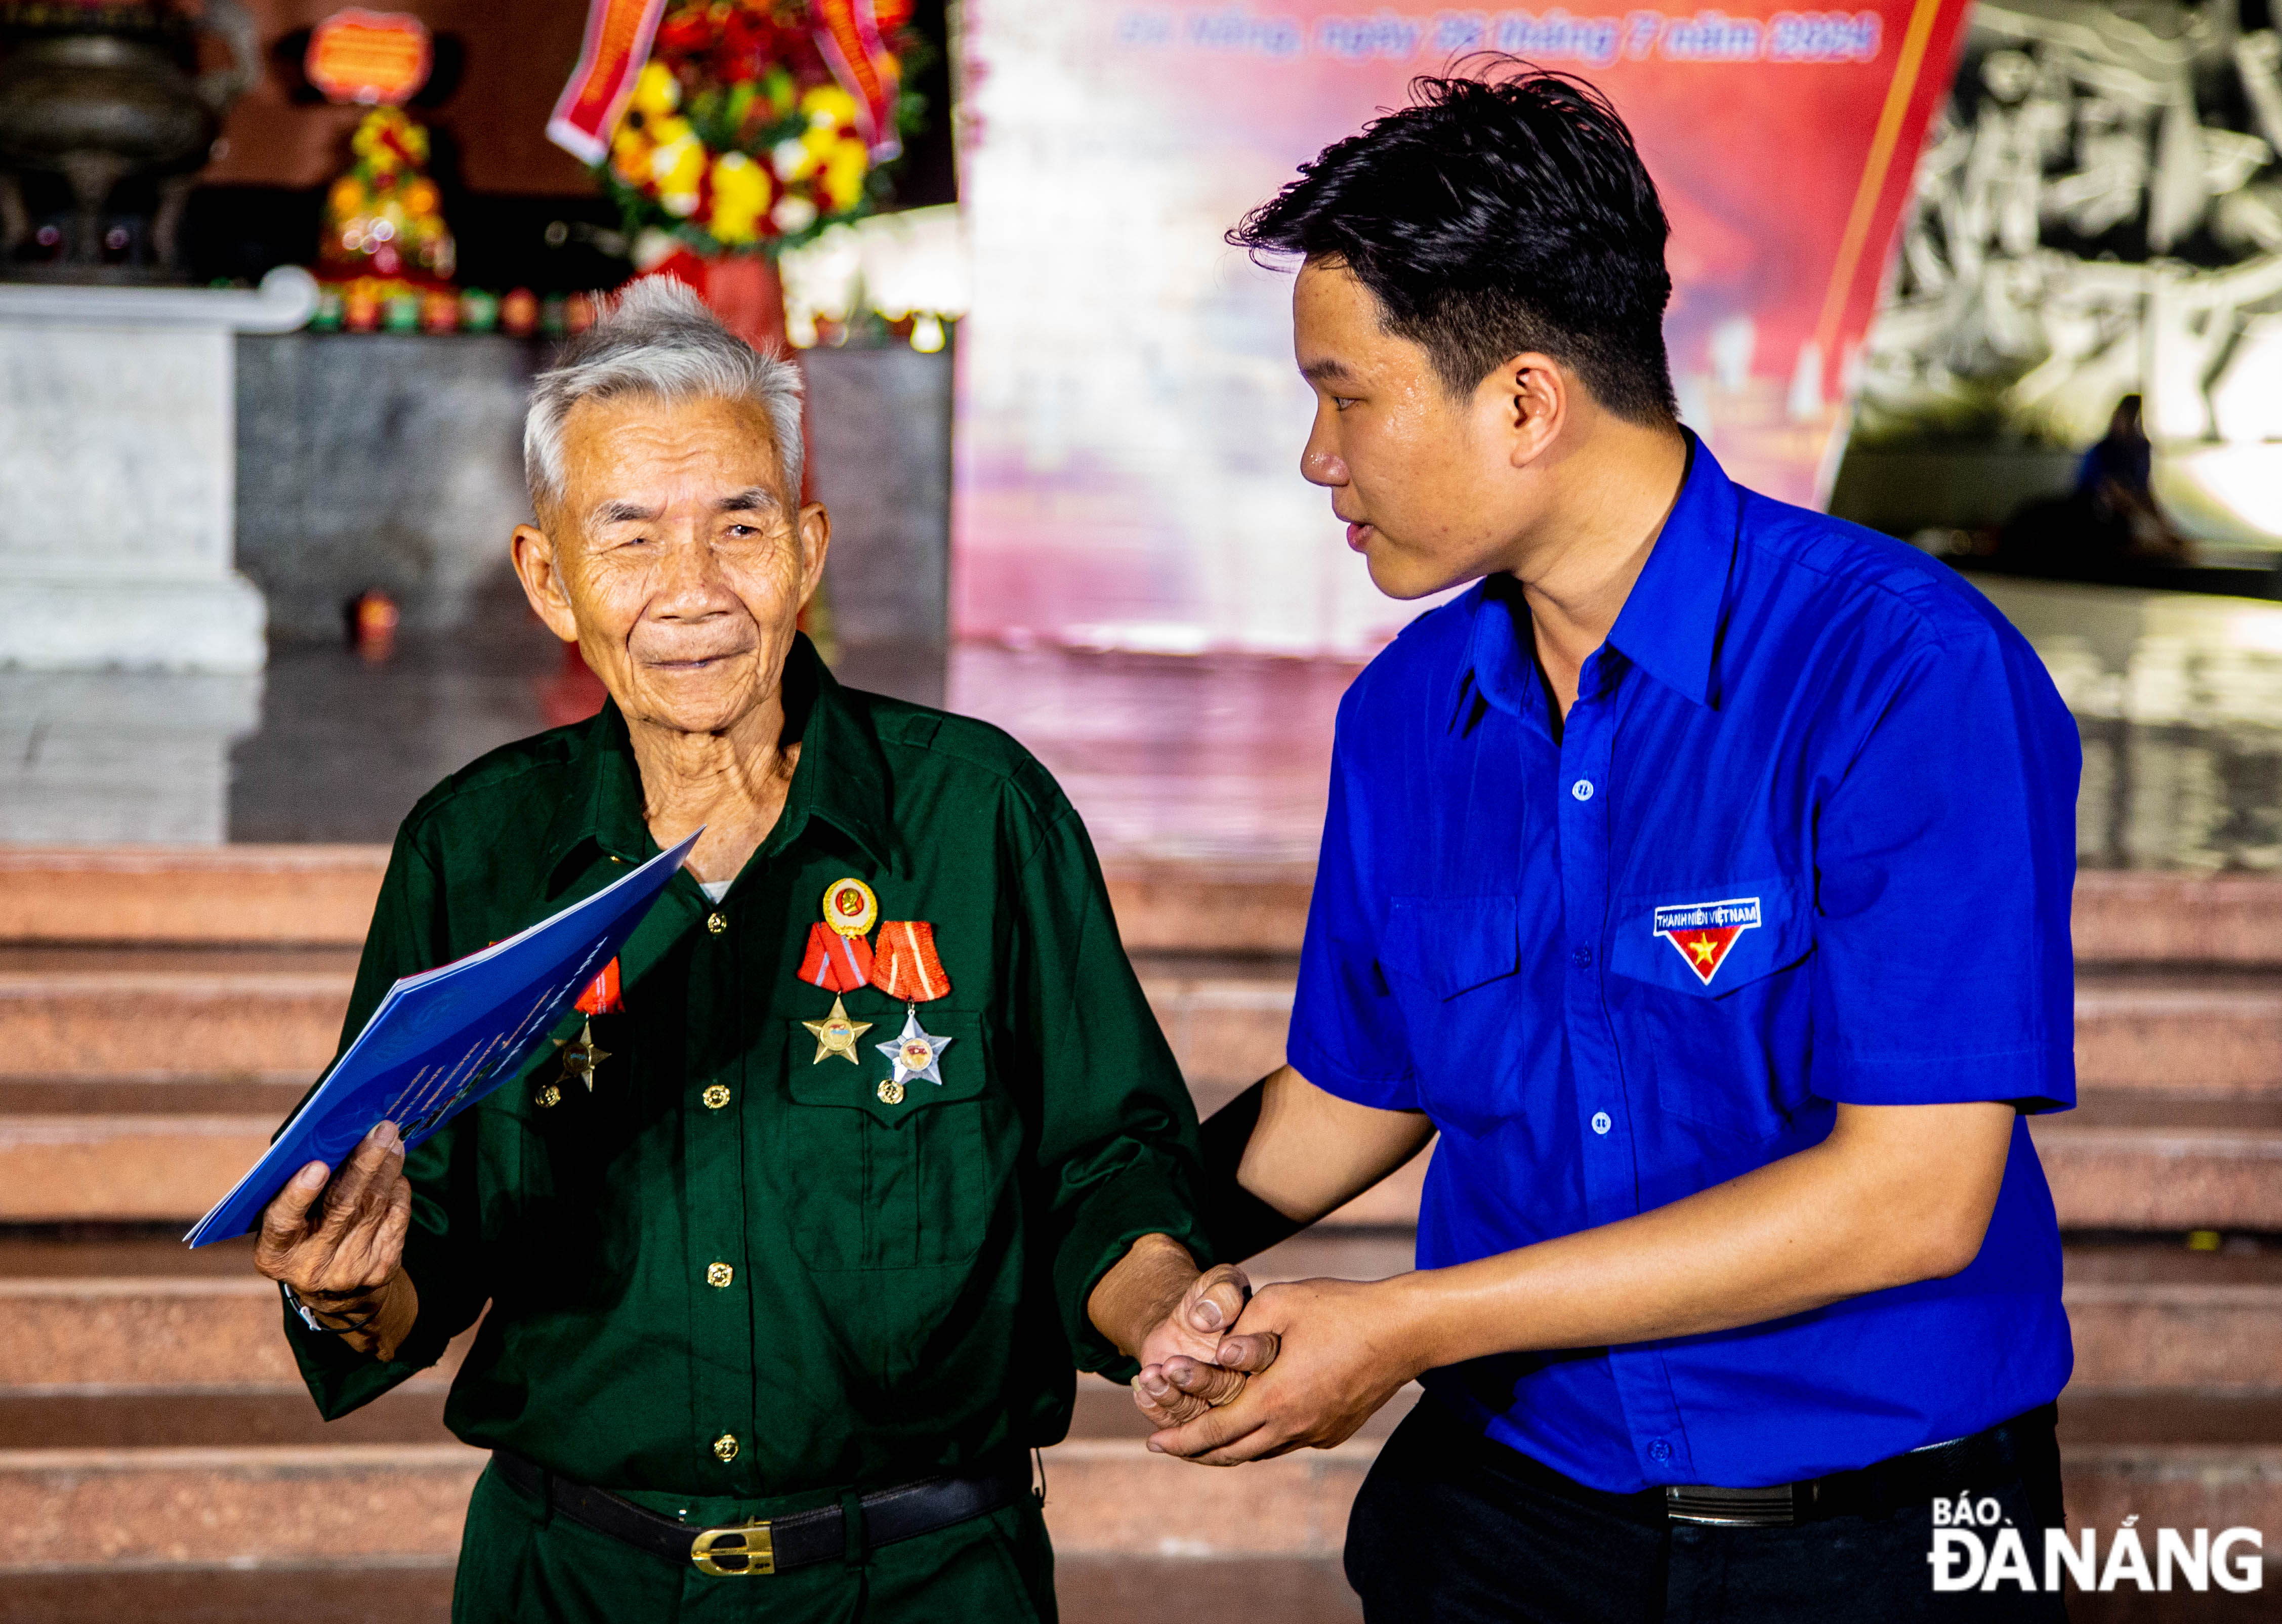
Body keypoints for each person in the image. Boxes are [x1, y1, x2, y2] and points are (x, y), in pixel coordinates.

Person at [1132, 65, 2080, 1622]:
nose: (1320, 456)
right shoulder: (1404, 715)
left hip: (1881, 1537)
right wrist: (1128, 1251)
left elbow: (1913, 1191)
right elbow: (1353, 1090)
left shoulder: (1901, 668)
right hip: (1510, 1523)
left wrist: (1408, 1323)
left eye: (1347, 394)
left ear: (1522, 402)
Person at [250, 277, 1260, 1623]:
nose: (694, 591)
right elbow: (410, 1230)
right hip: (574, 1583)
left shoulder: (978, 812)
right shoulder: (475, 850)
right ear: (549, 580)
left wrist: (1166, 1312)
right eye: (630, 538)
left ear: (810, 547)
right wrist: (346, 1288)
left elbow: (1110, 1158)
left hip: (925, 1583)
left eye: (739, 526)